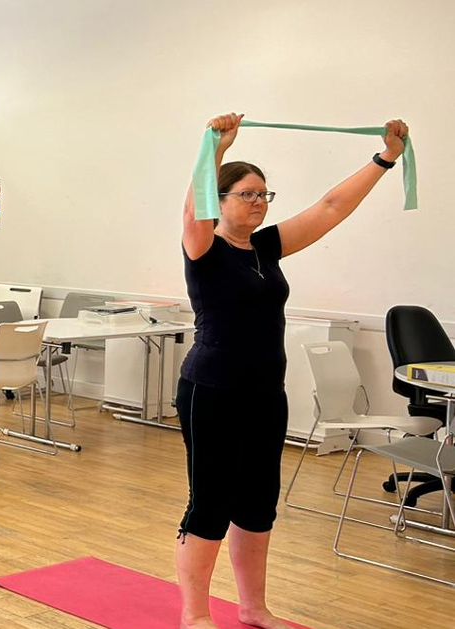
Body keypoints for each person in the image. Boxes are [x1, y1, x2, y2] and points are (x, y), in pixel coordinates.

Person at [176, 112, 408, 629]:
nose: (259, 202)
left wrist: (385, 157)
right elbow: (194, 203)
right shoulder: (204, 247)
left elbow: (330, 207)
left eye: (264, 194)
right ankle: (194, 614)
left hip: (265, 393)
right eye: (247, 194)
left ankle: (253, 608)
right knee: (210, 504)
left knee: (258, 504)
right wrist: (213, 146)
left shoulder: (265, 247)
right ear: (223, 199)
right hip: (211, 390)